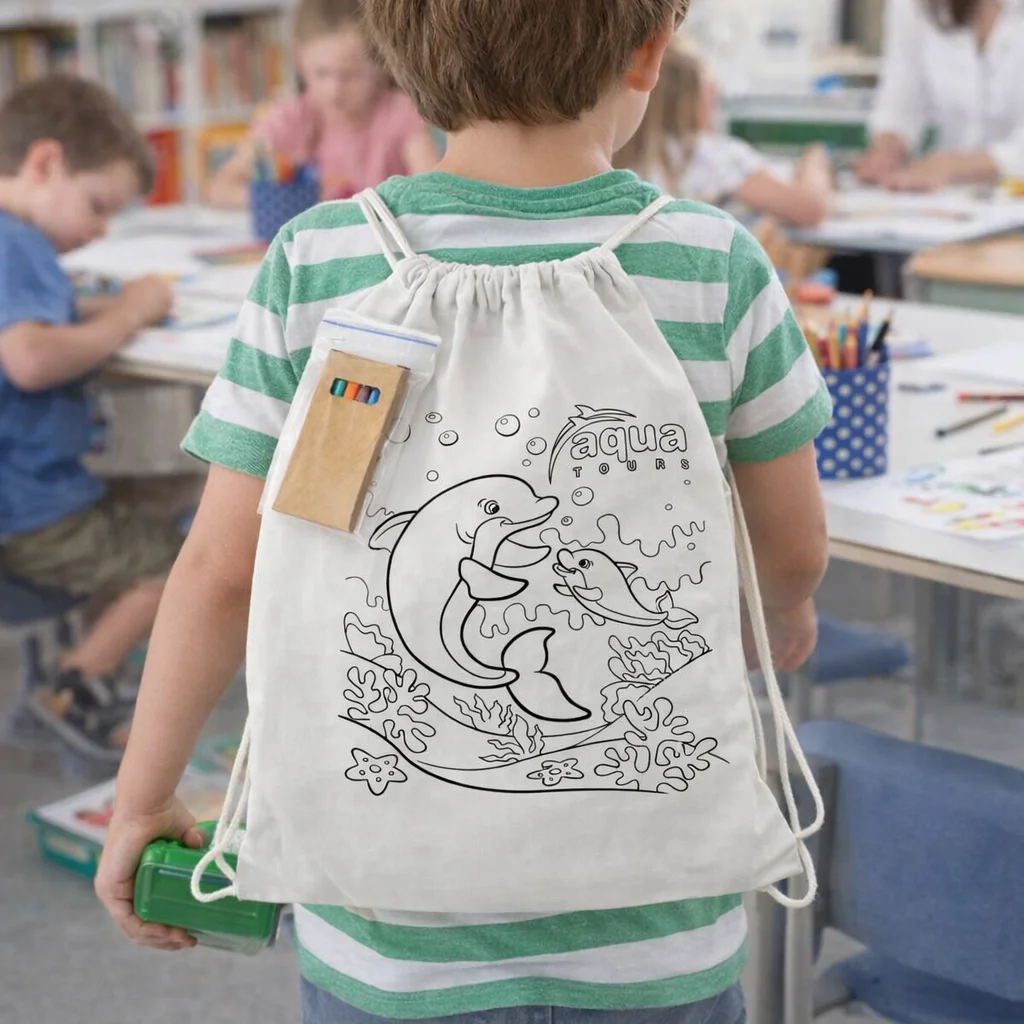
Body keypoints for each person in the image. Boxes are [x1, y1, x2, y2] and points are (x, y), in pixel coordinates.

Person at [96, 1, 831, 1022]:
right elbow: (791, 546)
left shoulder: (317, 263)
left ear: (395, 53)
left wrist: (143, 797)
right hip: (654, 934)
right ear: (652, 47)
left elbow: (221, 569)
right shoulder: (711, 262)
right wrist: (784, 613)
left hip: (390, 940)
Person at [0, 74, 179, 761]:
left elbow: (39, 321)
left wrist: (121, 305)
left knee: (170, 499)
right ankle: (72, 687)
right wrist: (131, 313)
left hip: (29, 497)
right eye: (98, 206)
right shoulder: (19, 243)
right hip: (35, 508)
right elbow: (29, 359)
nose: (102, 229)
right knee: (176, 562)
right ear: (45, 164)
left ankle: (96, 669)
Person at [207, 0, 438, 206]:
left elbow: (431, 189)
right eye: (321, 73)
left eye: (351, 75)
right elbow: (220, 187)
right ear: (299, 59)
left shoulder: (400, 113)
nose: (334, 90)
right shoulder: (289, 118)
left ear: (380, 62)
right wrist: (281, 198)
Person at [616, 39, 834, 228]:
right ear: (694, 97)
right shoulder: (712, 155)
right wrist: (814, 160)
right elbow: (809, 208)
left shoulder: (618, 154)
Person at [856, 0, 1024, 191]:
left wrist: (955, 165)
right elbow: (900, 104)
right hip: (951, 201)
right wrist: (889, 148)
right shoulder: (914, 6)